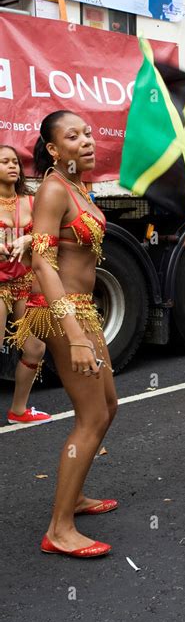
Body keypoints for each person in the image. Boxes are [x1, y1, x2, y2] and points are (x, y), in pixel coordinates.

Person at [10, 110, 118, 558]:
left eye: (89, 133)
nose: (87, 141)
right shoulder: (55, 188)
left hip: (83, 310)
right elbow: (41, 264)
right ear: (53, 150)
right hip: (63, 313)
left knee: (107, 406)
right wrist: (73, 334)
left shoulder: (77, 186)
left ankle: (73, 497)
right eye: (73, 136)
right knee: (91, 417)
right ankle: (59, 529)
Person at [0, 145, 51, 425]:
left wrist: (28, 240)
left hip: (25, 283)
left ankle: (18, 410)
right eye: (4, 162)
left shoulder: (30, 202)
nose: (12, 166)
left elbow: (47, 233)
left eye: (15, 162)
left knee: (34, 348)